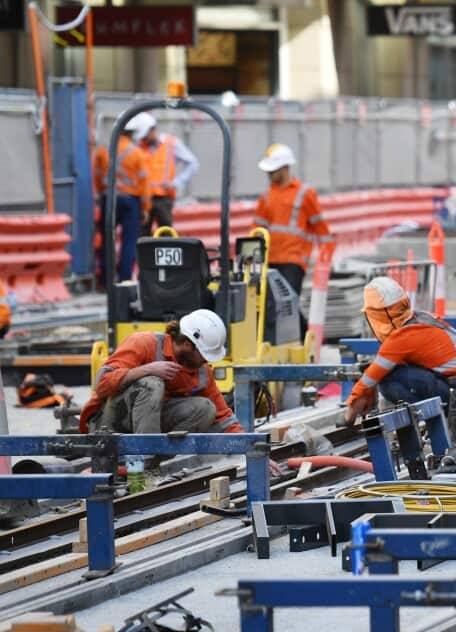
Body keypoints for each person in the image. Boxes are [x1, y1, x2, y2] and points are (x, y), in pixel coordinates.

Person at [343, 278, 456, 444]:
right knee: (392, 372)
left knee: (387, 379)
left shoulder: (402, 337)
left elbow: (372, 376)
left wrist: (349, 414)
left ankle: (425, 419)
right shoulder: (421, 318)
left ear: (378, 315)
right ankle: (427, 420)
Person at [79, 309, 242, 435]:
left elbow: (225, 418)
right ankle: (145, 462)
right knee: (152, 383)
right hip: (109, 425)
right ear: (186, 344)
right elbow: (101, 383)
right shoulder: (144, 343)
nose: (206, 361)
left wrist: (251, 450)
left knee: (206, 408)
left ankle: (160, 460)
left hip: (147, 427)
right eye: (204, 355)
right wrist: (148, 369)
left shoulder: (201, 371)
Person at [251, 143, 332, 319]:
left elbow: (321, 229)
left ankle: (302, 338)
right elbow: (257, 231)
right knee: (271, 306)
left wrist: (326, 259)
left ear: (285, 167)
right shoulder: (266, 197)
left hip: (294, 260)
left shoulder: (305, 194)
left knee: (288, 305)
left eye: (272, 170)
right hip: (270, 260)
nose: (269, 174)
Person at [94, 127, 151, 282]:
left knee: (107, 240)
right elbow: (144, 181)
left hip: (109, 198)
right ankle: (125, 279)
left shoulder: (103, 150)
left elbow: (97, 175)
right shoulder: (136, 152)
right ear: (132, 133)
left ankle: (106, 280)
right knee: (129, 241)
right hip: (130, 201)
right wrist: (146, 207)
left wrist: (102, 193)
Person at [126, 112, 199, 232]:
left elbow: (193, 163)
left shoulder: (171, 144)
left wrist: (176, 183)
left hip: (164, 198)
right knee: (142, 235)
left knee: (166, 234)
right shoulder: (138, 147)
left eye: (145, 137)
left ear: (152, 129)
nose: (144, 140)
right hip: (144, 198)